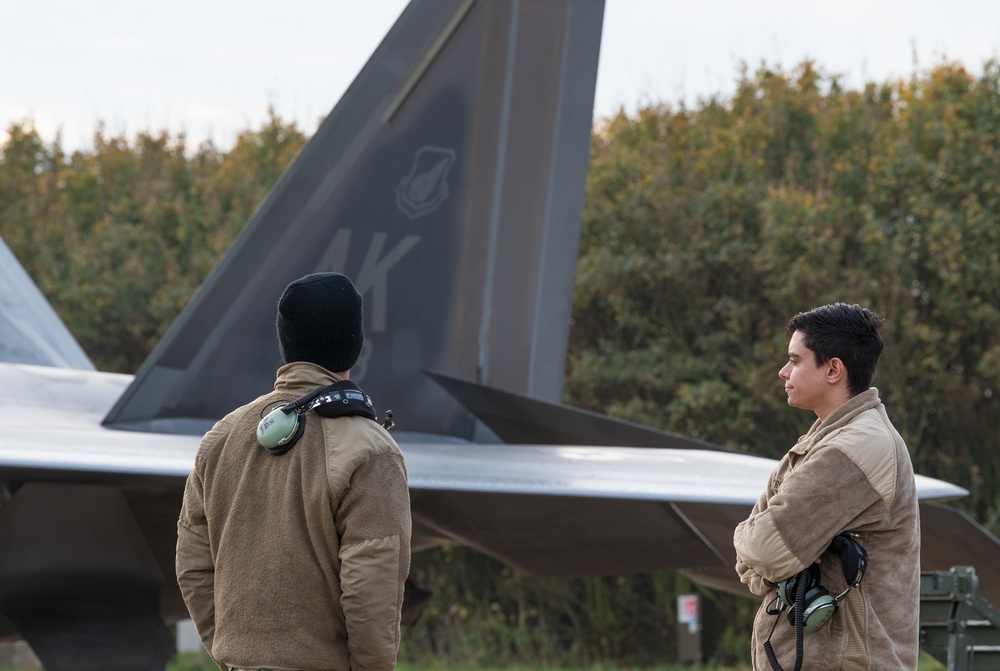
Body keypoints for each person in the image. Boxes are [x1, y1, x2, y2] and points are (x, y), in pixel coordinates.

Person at [176, 272, 412, 671]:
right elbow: (371, 588)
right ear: (354, 345)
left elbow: (193, 567)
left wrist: (235, 651)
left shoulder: (221, 439)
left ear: (286, 340)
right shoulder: (370, 450)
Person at [733, 302, 920, 671]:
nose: (783, 371)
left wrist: (772, 555)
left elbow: (763, 548)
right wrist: (774, 555)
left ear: (833, 369)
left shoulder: (854, 448)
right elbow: (750, 557)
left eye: (795, 360)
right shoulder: (822, 442)